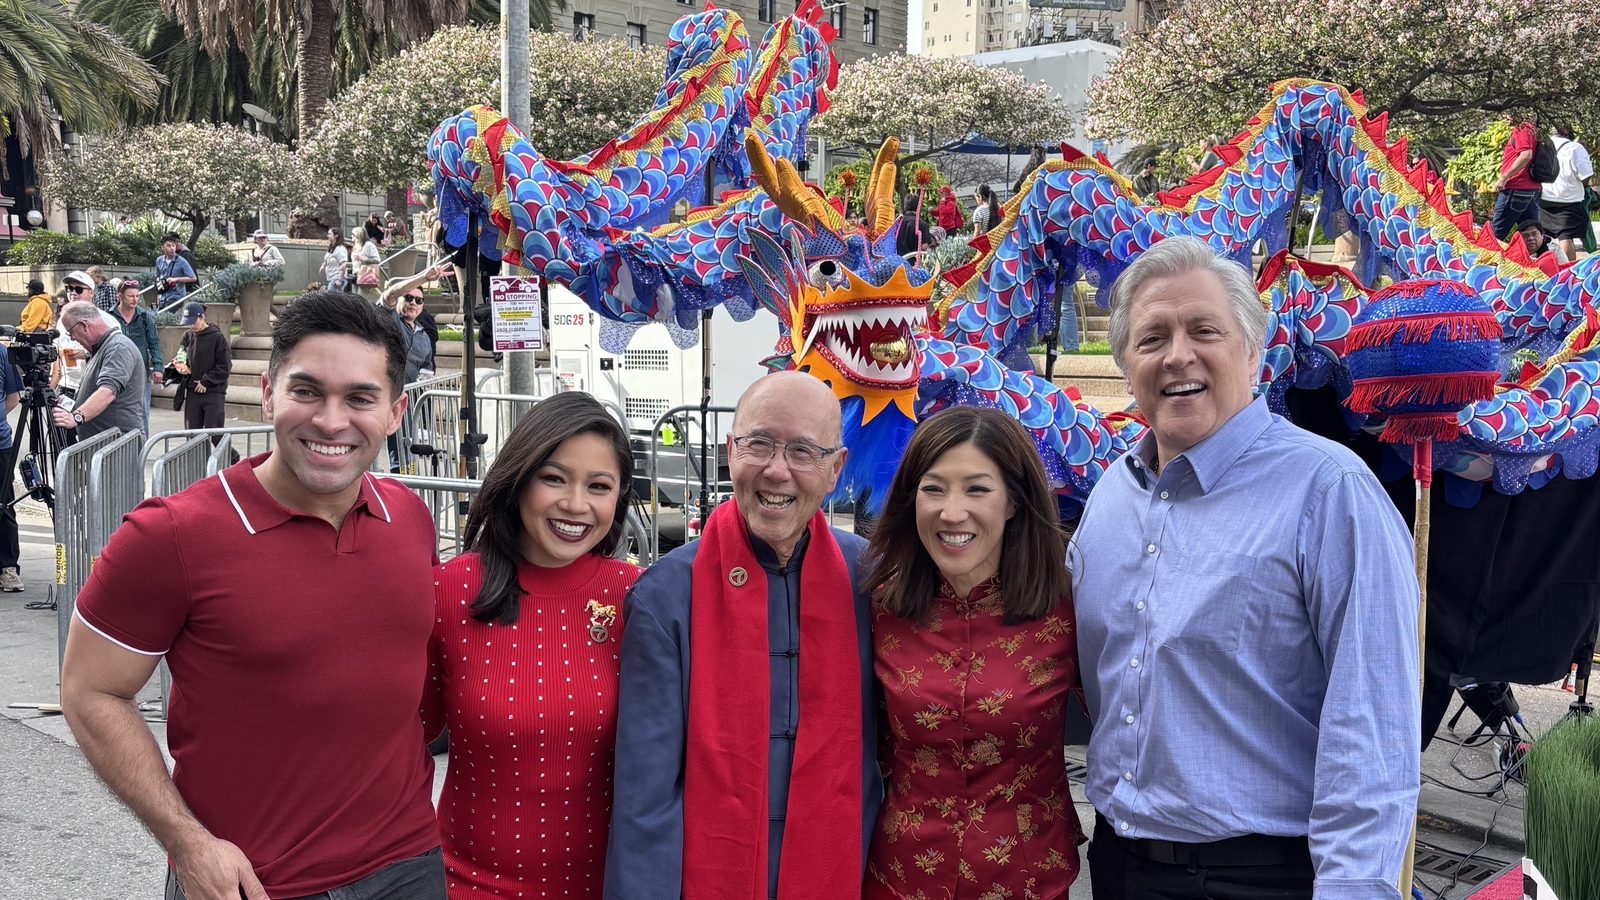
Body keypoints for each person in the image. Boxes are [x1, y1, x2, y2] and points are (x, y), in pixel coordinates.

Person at [60, 291, 445, 900]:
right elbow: (91, 689)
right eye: (308, 391)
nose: (331, 420)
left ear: (396, 413)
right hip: (250, 884)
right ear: (268, 392)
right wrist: (187, 842)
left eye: (360, 398)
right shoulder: (170, 534)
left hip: (410, 866)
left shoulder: (411, 517)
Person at [1072, 236, 1420, 900]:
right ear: (1125, 364)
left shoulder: (1329, 492)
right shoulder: (1113, 496)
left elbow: (1372, 731)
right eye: (1152, 339)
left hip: (1263, 877)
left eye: (1204, 330)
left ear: (1253, 352)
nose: (1178, 355)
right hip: (1119, 866)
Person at [605, 371, 883, 900]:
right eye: (759, 444)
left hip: (840, 865)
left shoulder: (868, 580)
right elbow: (645, 799)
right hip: (707, 873)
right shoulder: (667, 596)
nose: (777, 471)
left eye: (803, 451)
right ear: (731, 451)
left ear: (835, 469)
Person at [424, 392, 643, 898]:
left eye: (599, 486)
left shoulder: (639, 598)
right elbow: (401, 744)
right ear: (518, 479)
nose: (575, 504)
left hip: (609, 886)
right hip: (465, 884)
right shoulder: (447, 591)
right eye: (554, 478)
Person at [862, 405, 1082, 898]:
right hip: (900, 877)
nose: (952, 511)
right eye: (934, 488)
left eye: (977, 489)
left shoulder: (1070, 609)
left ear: (1013, 502)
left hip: (1028, 879)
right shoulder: (877, 608)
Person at [49, 301, 146, 441]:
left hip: (117, 449)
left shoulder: (118, 347)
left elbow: (107, 392)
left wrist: (76, 417)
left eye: (71, 332)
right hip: (106, 448)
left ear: (84, 325)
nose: (72, 338)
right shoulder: (102, 348)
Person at [112, 279, 163, 436]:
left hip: (141, 374)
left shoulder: (144, 317)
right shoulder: (110, 316)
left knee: (142, 414)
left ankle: (142, 448)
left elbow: (154, 343)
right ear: (120, 296)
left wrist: (158, 367)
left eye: (137, 296)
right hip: (117, 373)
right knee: (115, 414)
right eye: (130, 296)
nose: (135, 299)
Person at [1538, 123, 1594, 261]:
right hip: (1568, 199)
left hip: (1543, 198)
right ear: (1566, 130)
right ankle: (1566, 269)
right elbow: (1586, 178)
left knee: (1544, 236)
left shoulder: (1542, 144)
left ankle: (1545, 267)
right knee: (1566, 236)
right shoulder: (1575, 148)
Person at [174, 302, 231, 431]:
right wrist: (180, 366)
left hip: (213, 392)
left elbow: (225, 366)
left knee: (215, 433)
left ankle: (230, 452)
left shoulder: (217, 337)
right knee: (192, 433)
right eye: (189, 322)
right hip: (192, 391)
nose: (191, 325)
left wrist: (206, 381)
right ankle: (199, 453)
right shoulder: (187, 336)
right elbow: (180, 356)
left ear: (202, 317)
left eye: (194, 321)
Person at [1492, 113, 1543, 241]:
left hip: (1516, 187)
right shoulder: (1533, 129)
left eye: (1507, 113)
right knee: (1531, 235)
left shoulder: (1522, 128)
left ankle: (1487, 260)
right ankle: (1539, 260)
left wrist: (1504, 177)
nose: (1504, 117)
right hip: (1532, 188)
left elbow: (1526, 155)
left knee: (1494, 236)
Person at [0, 358, 24, 593]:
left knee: (4, 504)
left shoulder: (2, 353)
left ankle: (8, 567)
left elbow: (14, 396)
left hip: (0, 444)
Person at [155, 236, 197, 307]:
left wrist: (176, 279)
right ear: (162, 247)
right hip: (163, 297)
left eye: (173, 245)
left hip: (176, 296)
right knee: (158, 315)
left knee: (165, 314)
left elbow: (193, 278)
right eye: (168, 246)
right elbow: (157, 278)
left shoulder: (181, 261)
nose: (172, 248)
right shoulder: (159, 260)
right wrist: (158, 297)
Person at [353, 229, 384, 297]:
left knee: (361, 298)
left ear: (359, 236)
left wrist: (364, 259)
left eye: (354, 235)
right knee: (355, 298)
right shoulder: (357, 246)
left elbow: (377, 260)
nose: (352, 237)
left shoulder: (369, 245)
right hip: (356, 274)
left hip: (365, 274)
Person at [324, 227, 350, 293]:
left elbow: (343, 265)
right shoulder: (332, 248)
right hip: (331, 278)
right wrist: (323, 265)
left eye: (330, 234)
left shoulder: (340, 249)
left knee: (331, 299)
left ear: (336, 236)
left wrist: (340, 280)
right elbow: (328, 258)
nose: (328, 236)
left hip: (336, 278)